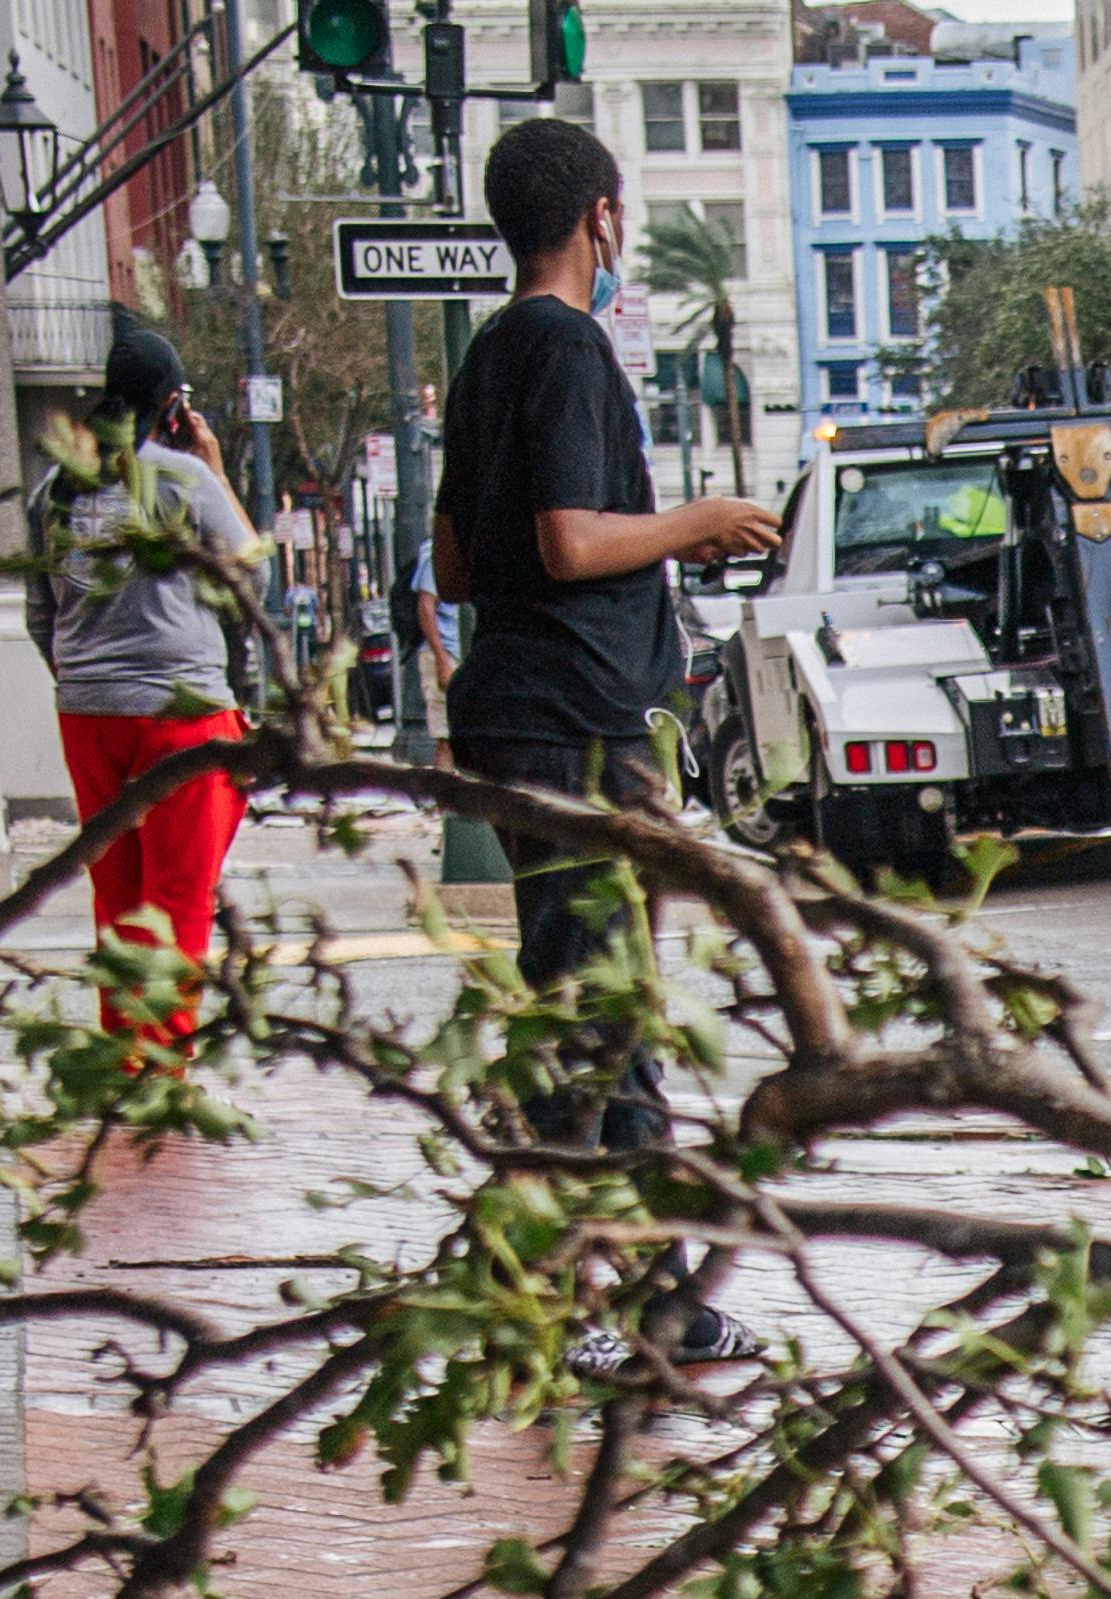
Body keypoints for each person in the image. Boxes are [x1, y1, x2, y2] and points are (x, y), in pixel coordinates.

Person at [430, 112, 776, 1365]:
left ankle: (563, 1281)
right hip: (583, 719)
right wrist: (698, 520)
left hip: (516, 712)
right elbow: (571, 541)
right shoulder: (568, 350)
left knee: (571, 995)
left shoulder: (482, 359)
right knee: (605, 1004)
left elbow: (457, 561)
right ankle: (628, 1305)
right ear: (601, 219)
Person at [32, 323, 261, 1052]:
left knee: (118, 896)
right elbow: (251, 571)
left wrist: (83, 678)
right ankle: (159, 1065)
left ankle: (122, 1055)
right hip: (181, 716)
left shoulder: (54, 489)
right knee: (179, 896)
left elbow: (41, 612)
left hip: (87, 718)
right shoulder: (184, 478)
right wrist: (215, 466)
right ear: (171, 403)